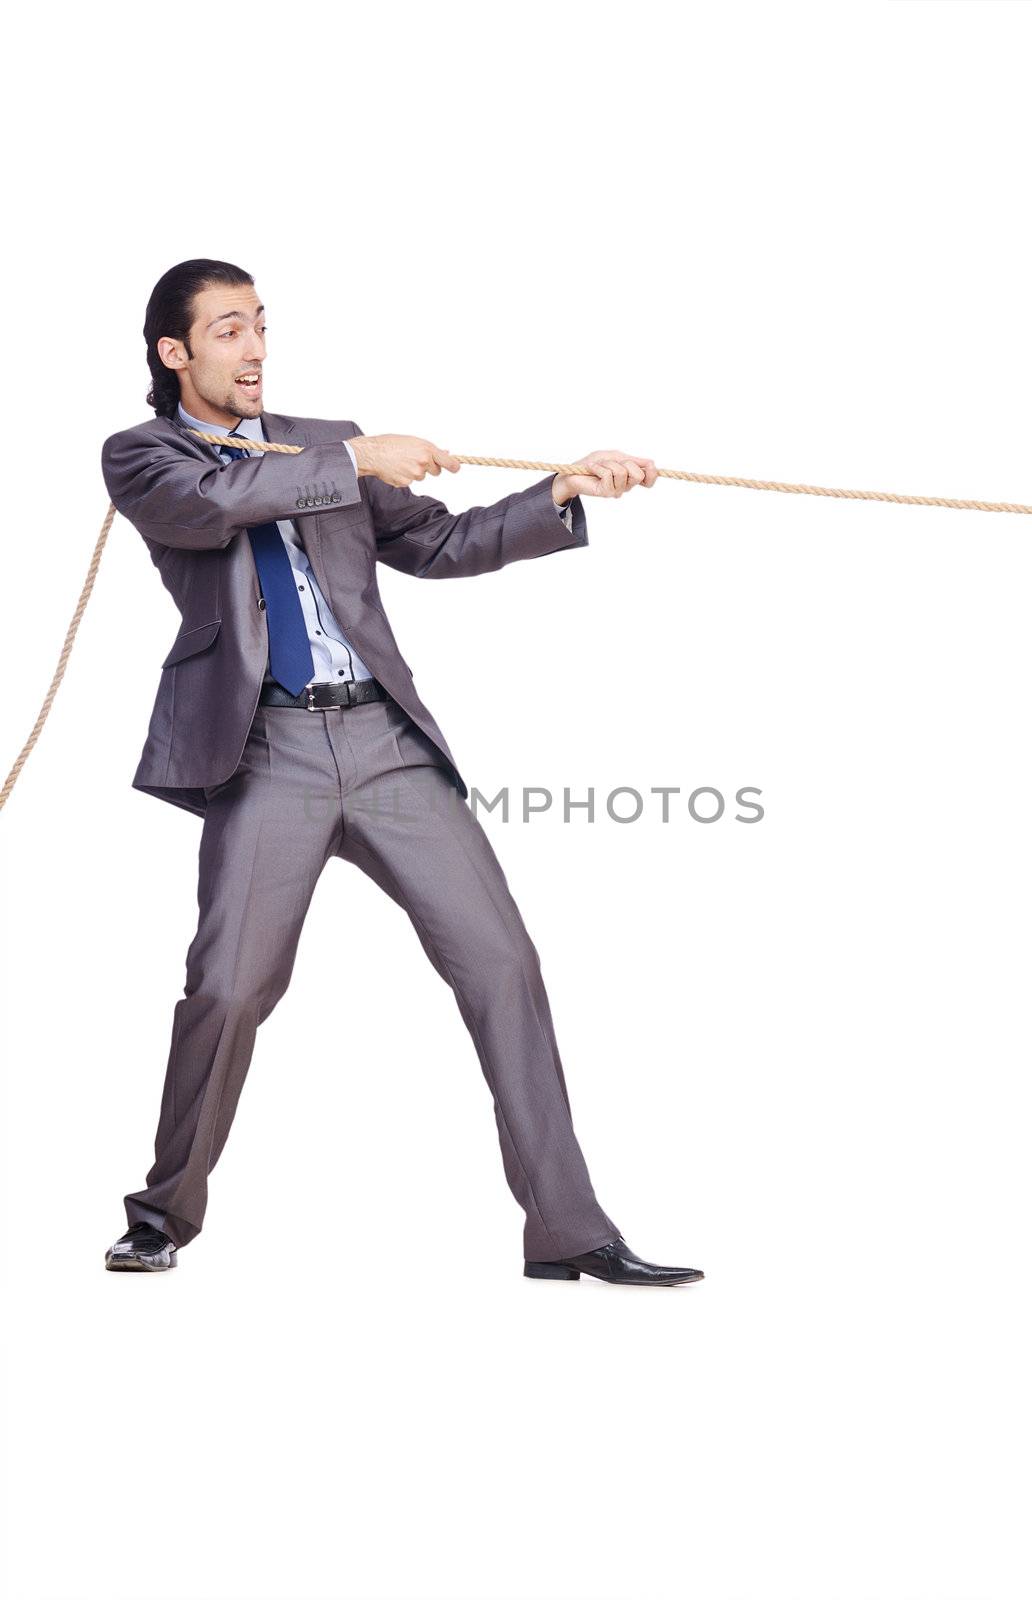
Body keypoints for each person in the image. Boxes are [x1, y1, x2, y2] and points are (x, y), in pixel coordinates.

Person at [100, 258, 703, 1288]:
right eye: (230, 330)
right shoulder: (144, 455)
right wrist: (354, 459)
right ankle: (162, 1214)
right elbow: (214, 502)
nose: (255, 349)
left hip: (384, 741)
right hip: (265, 754)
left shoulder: (329, 440)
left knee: (503, 963)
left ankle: (567, 1228)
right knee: (230, 987)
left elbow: (442, 543)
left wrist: (552, 490)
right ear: (175, 352)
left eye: (261, 326)